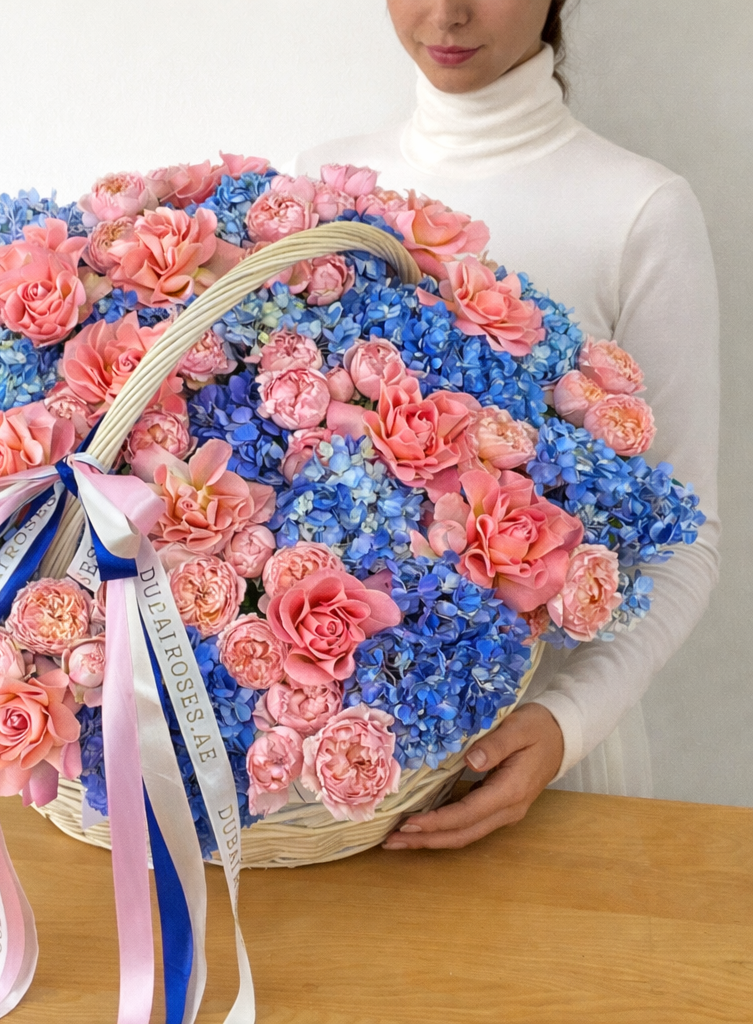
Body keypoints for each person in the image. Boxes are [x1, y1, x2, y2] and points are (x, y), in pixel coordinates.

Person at [292, 0, 721, 850]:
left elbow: (688, 536)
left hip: (536, 771)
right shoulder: (325, 181)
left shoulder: (640, 209)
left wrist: (568, 722)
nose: (447, 12)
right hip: (334, 779)